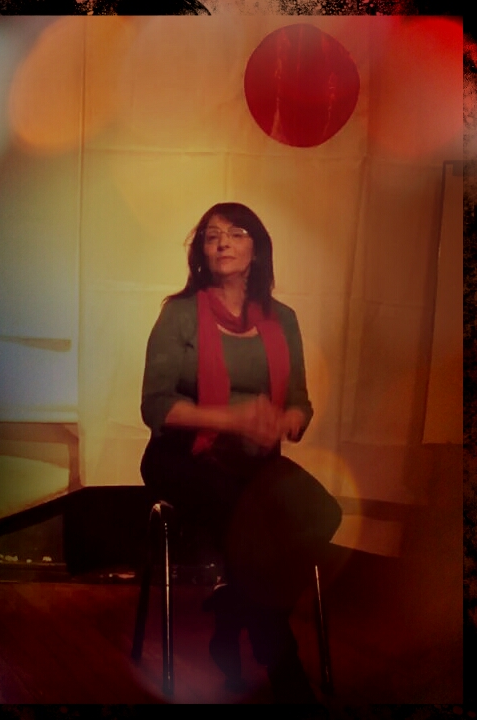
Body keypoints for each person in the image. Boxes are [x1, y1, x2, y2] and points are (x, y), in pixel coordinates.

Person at [140, 202, 342, 703]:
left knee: (322, 511)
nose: (223, 242)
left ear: (257, 248)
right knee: (247, 521)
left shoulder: (283, 319)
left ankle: (233, 611)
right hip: (183, 455)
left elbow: (299, 400)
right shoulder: (179, 314)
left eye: (235, 233)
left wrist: (288, 421)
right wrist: (232, 419)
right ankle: (283, 663)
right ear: (201, 253)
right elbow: (156, 405)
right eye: (212, 236)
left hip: (253, 460)